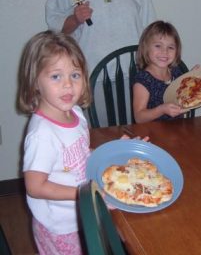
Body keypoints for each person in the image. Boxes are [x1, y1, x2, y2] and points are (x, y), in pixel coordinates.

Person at [17, 30, 147, 254]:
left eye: (75, 75)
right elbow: (35, 187)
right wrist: (82, 193)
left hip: (84, 211)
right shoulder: (42, 135)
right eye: (56, 76)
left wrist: (117, 150)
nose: (68, 85)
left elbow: (81, 154)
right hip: (61, 227)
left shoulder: (75, 113)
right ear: (35, 81)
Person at [45, 0, 156, 72]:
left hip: (135, 71)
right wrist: (75, 20)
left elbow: (150, 30)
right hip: (92, 74)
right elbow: (56, 30)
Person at [133, 20, 196, 122]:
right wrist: (162, 110)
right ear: (146, 48)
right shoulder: (143, 80)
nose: (164, 51)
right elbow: (139, 117)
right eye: (158, 46)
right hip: (152, 133)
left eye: (170, 47)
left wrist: (192, 79)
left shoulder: (176, 72)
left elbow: (183, 99)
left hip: (177, 129)